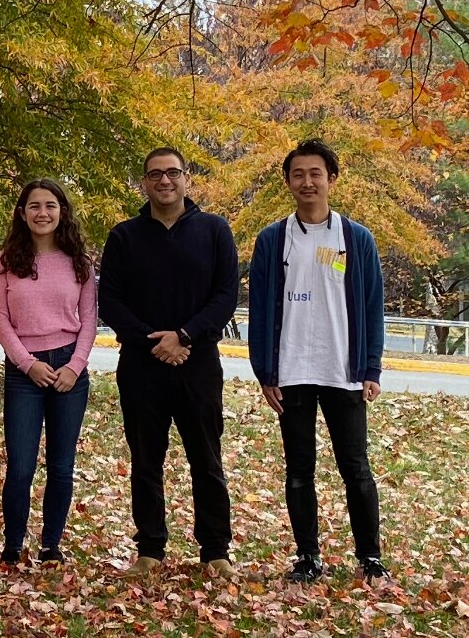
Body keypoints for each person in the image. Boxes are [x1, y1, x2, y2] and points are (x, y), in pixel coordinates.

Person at [249, 139, 387, 583]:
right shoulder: (273, 240)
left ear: (331, 178)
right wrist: (264, 371)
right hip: (291, 371)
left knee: (357, 469)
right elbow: (261, 307)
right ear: (288, 182)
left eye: (315, 173)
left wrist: (371, 367)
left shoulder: (356, 238)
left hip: (342, 371)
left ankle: (370, 557)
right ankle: (308, 556)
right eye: (298, 174)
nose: (307, 182)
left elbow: (372, 304)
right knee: (299, 470)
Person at [98, 147, 238, 578]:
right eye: (155, 174)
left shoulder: (215, 231)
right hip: (142, 366)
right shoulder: (124, 236)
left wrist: (185, 335)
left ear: (186, 178)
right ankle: (150, 549)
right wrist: (153, 341)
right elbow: (111, 301)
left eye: (172, 173)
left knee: (207, 458)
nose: (164, 181)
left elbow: (225, 296)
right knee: (145, 459)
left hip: (198, 364)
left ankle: (215, 549)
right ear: (144, 182)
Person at [0, 179, 96, 565]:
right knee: (20, 466)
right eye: (34, 206)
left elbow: (89, 321)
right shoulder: (4, 261)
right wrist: (27, 363)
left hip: (70, 369)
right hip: (25, 372)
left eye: (50, 205)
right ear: (22, 213)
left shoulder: (79, 262)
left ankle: (51, 545)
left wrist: (75, 366)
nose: (42, 213)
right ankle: (13, 544)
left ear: (62, 211)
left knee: (61, 465)